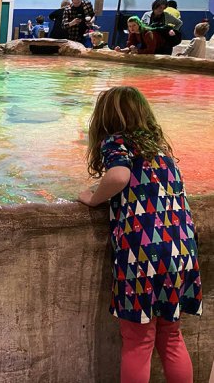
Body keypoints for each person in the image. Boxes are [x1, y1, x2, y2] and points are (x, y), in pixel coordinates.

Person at [77, 86, 201, 383]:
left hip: (143, 254)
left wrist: (95, 198)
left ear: (104, 120)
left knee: (138, 341)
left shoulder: (116, 143)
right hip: (181, 251)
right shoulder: (161, 151)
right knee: (171, 337)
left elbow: (119, 175)